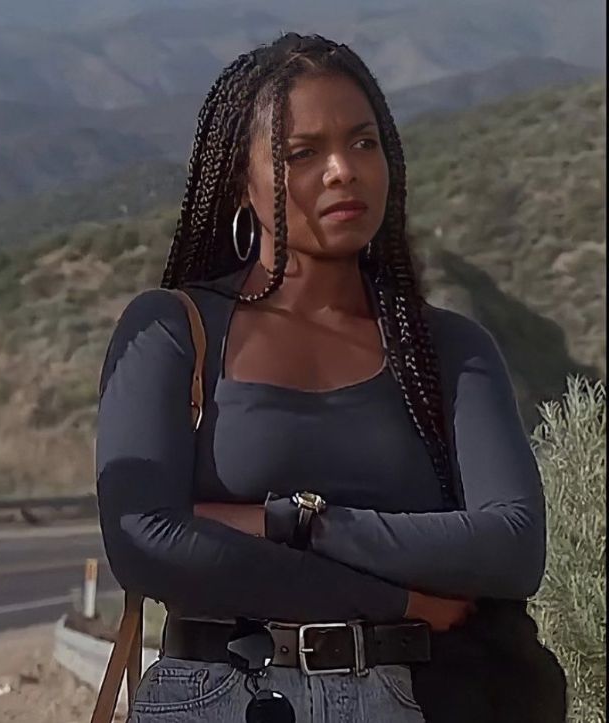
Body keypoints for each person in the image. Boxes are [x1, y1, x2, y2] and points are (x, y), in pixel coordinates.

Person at [96, 32, 565, 723]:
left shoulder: (448, 348)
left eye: (364, 143)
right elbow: (150, 548)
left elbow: (512, 547)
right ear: (243, 180)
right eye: (302, 153)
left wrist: (296, 521)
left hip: (413, 700)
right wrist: (399, 600)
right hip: (223, 698)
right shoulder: (174, 330)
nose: (343, 170)